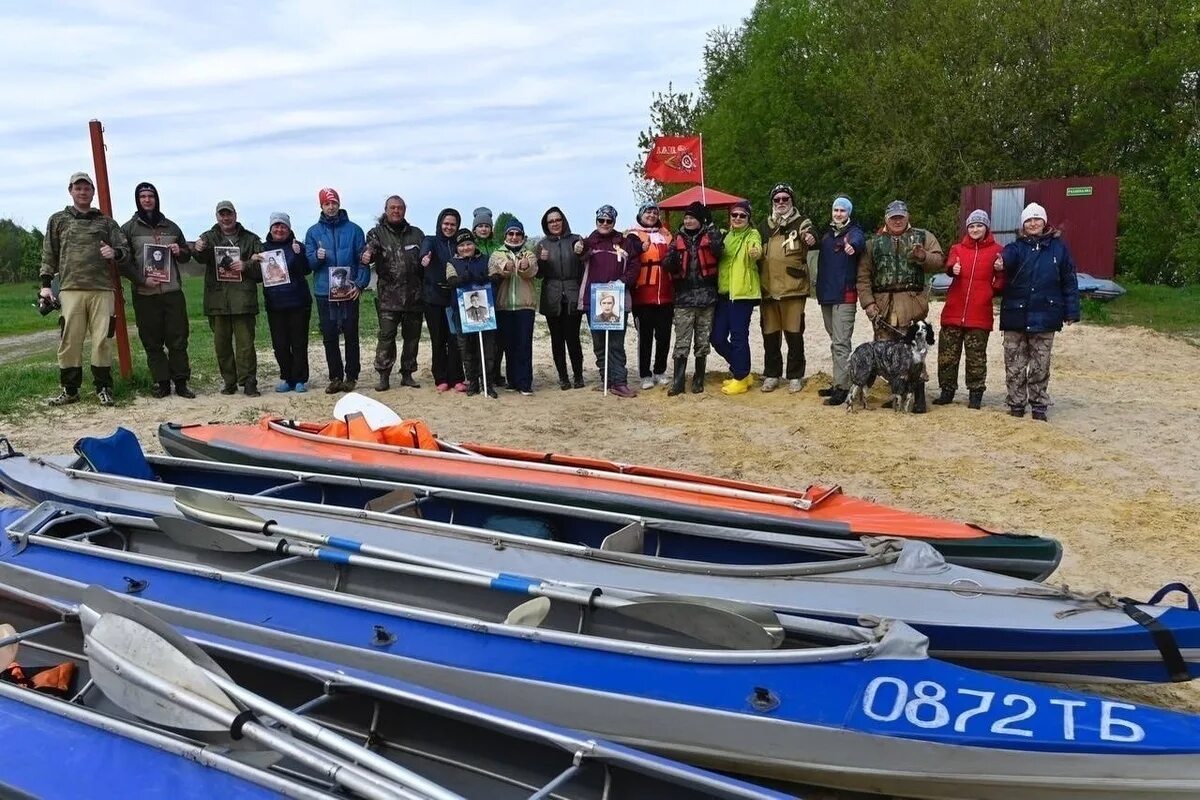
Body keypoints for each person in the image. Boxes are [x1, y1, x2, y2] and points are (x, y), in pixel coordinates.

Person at [39, 172, 131, 407]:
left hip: (102, 289)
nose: (82, 192)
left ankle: (103, 388)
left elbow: (125, 250)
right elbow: (49, 253)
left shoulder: (106, 222)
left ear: (92, 192)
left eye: (86, 188)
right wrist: (46, 286)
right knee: (70, 340)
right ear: (70, 190)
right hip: (70, 289)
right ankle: (70, 390)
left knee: (102, 340)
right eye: (78, 188)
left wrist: (114, 253)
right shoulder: (58, 220)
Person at [857, 199, 945, 413]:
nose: (897, 220)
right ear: (886, 218)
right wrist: (868, 304)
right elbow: (863, 276)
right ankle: (897, 392)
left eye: (901, 216)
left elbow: (939, 261)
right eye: (893, 217)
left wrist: (923, 256)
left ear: (908, 217)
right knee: (887, 351)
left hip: (912, 303)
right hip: (883, 305)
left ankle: (920, 398)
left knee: (915, 352)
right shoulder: (872, 243)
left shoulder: (923, 236)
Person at [997, 203, 1080, 421]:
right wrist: (1000, 262)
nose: (1033, 224)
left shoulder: (1058, 248)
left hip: (1046, 314)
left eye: (1037, 219)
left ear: (1044, 222)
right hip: (1015, 314)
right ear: (1023, 225)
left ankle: (1038, 405)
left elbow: (1069, 280)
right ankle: (1016, 403)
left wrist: (1071, 311)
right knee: (1014, 364)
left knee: (1040, 365)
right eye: (1028, 220)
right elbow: (1006, 257)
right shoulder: (1015, 247)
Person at [118, 181, 195, 399]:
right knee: (152, 341)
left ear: (156, 198)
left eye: (150, 196)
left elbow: (187, 254)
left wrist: (179, 250)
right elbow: (123, 262)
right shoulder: (129, 229)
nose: (147, 200)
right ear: (137, 200)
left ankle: (181, 382)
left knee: (178, 339)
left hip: (172, 292)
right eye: (142, 197)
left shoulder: (171, 227)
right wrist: (142, 281)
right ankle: (161, 382)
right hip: (145, 294)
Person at [934, 209, 1004, 409]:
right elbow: (949, 266)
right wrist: (952, 270)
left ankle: (975, 394)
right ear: (967, 228)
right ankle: (947, 391)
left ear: (986, 227)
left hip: (979, 314)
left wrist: (1000, 272)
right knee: (947, 355)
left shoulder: (997, 250)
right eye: (972, 226)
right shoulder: (957, 248)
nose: (975, 229)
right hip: (953, 312)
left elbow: (1000, 284)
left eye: (979, 225)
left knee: (976, 357)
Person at [192, 200, 263, 396]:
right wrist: (197, 248)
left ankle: (249, 381)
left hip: (243, 300)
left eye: (229, 214)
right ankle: (229, 381)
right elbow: (199, 257)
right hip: (217, 301)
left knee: (245, 345)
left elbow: (264, 269)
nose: (226, 218)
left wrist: (246, 265)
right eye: (222, 215)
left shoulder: (251, 239)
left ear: (235, 215)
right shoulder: (208, 237)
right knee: (221, 346)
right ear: (217, 217)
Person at [305, 188, 368, 395]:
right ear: (321, 206)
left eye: (334, 203)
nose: (331, 207)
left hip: (349, 291)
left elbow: (363, 260)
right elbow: (310, 263)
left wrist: (359, 284)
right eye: (326, 204)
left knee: (351, 333)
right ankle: (335, 376)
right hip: (325, 291)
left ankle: (351, 376)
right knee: (329, 335)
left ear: (339, 204)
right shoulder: (313, 232)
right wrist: (317, 256)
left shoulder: (355, 230)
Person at [757, 183, 815, 393]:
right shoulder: (764, 226)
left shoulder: (801, 221)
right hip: (768, 288)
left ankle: (795, 375)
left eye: (785, 199)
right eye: (777, 199)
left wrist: (810, 236)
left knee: (794, 333)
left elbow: (810, 232)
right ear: (772, 202)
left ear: (791, 201)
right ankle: (772, 374)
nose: (781, 203)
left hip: (793, 288)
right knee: (770, 334)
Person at [364, 195, 424, 391]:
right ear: (386, 210)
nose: (396, 211)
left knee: (412, 338)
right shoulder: (376, 233)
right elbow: (370, 250)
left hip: (414, 297)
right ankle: (384, 375)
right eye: (392, 208)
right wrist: (367, 255)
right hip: (388, 297)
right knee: (386, 337)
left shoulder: (416, 234)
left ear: (404, 210)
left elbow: (425, 255)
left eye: (399, 208)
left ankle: (407, 374)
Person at [808, 196, 865, 406]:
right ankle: (838, 381)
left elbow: (859, 241)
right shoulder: (828, 236)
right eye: (835, 210)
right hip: (827, 295)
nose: (838, 213)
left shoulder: (853, 232)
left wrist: (853, 247)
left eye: (842, 210)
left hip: (845, 295)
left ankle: (843, 388)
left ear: (849, 213)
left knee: (841, 343)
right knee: (835, 342)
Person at [580, 205, 641, 398]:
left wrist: (622, 282)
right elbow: (578, 257)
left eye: (609, 221)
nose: (605, 224)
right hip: (594, 299)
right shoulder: (588, 242)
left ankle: (619, 382)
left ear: (614, 222)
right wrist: (579, 249)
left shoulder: (624, 242)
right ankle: (605, 379)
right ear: (596, 221)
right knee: (599, 343)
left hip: (617, 298)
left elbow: (634, 266)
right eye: (601, 220)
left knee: (616, 343)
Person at [664, 202, 724, 396]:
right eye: (686, 218)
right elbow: (667, 262)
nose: (688, 221)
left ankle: (699, 378)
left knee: (702, 341)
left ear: (700, 220)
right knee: (682, 341)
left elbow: (718, 251)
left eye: (692, 218)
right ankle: (678, 381)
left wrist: (714, 232)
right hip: (684, 298)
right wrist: (670, 263)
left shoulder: (711, 234)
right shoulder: (676, 239)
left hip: (706, 298)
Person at [256, 212, 311, 393]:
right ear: (271, 229)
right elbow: (257, 277)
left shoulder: (297, 246)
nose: (279, 230)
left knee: (299, 342)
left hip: (298, 302)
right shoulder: (262, 249)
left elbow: (306, 270)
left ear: (289, 228)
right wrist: (254, 262)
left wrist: (299, 255)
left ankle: (300, 379)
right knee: (279, 344)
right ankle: (287, 378)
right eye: (276, 226)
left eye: (283, 226)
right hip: (275, 304)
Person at [710, 199, 761, 396]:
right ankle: (743, 370)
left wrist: (755, 251)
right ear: (730, 217)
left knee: (739, 336)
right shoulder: (726, 236)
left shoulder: (752, 234)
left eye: (742, 215)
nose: (738, 218)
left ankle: (740, 377)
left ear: (748, 218)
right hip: (724, 293)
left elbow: (755, 248)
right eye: (735, 215)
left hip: (742, 294)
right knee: (717, 337)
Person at [537, 207, 586, 390]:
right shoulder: (542, 244)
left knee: (573, 338)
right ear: (546, 225)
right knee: (557, 339)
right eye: (551, 221)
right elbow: (538, 274)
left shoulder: (575, 240)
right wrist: (541, 260)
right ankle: (563, 377)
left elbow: (586, 264)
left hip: (573, 293)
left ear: (563, 221)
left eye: (557, 220)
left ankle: (578, 376)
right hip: (552, 294)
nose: (555, 224)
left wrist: (581, 252)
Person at [446, 228, 499, 398]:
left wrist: (487, 278)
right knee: (466, 349)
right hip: (462, 311)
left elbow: (495, 274)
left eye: (469, 244)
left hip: (485, 311)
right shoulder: (452, 262)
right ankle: (473, 382)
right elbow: (451, 280)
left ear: (474, 244)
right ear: (457, 247)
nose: (465, 248)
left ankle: (488, 383)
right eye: (461, 245)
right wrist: (462, 279)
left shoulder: (486, 259)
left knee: (487, 348)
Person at [627, 201, 674, 390]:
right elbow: (628, 255)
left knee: (664, 336)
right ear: (641, 214)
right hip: (643, 295)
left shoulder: (666, 235)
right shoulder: (633, 235)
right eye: (648, 212)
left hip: (666, 294)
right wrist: (640, 248)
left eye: (655, 212)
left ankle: (660, 370)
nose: (652, 215)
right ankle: (645, 374)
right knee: (645, 337)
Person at [489, 218, 538, 395]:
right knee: (508, 346)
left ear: (523, 236)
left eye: (518, 234)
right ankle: (512, 380)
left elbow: (532, 271)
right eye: (511, 233)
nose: (514, 237)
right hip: (504, 306)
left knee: (524, 345)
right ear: (506, 235)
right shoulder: (497, 253)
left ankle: (525, 383)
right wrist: (506, 266)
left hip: (525, 306)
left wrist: (525, 266)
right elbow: (497, 268)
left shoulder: (529, 254)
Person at [420, 209, 467, 392]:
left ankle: (457, 377)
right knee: (438, 339)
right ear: (440, 223)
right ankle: (440, 377)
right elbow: (424, 252)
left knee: (455, 339)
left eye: (453, 224)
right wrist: (424, 258)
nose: (449, 227)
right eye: (446, 223)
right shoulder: (430, 240)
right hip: (433, 298)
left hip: (454, 298)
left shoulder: (459, 243)